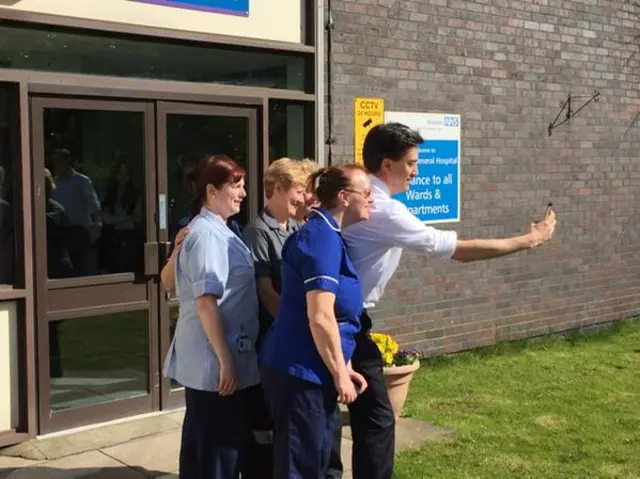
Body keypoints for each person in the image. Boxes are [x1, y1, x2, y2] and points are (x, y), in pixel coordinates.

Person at [340, 122, 558, 479]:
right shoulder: (384, 210)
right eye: (410, 162)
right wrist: (528, 240)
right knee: (375, 418)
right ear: (386, 166)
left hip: (348, 317)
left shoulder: (372, 200)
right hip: (343, 319)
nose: (416, 170)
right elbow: (457, 251)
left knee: (365, 415)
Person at [259, 164, 372, 478]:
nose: (371, 200)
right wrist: (340, 373)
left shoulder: (328, 234)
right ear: (343, 197)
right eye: (366, 194)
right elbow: (320, 317)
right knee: (301, 466)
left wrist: (344, 364)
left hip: (311, 370)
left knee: (315, 459)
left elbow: (334, 316)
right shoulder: (321, 237)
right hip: (300, 373)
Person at [162, 154, 260, 479]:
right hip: (214, 364)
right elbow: (206, 302)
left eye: (243, 185)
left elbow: (169, 280)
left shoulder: (215, 229)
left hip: (214, 361)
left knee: (204, 449)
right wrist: (225, 360)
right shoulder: (205, 234)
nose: (243, 193)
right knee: (217, 454)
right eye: (236, 185)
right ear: (211, 190)